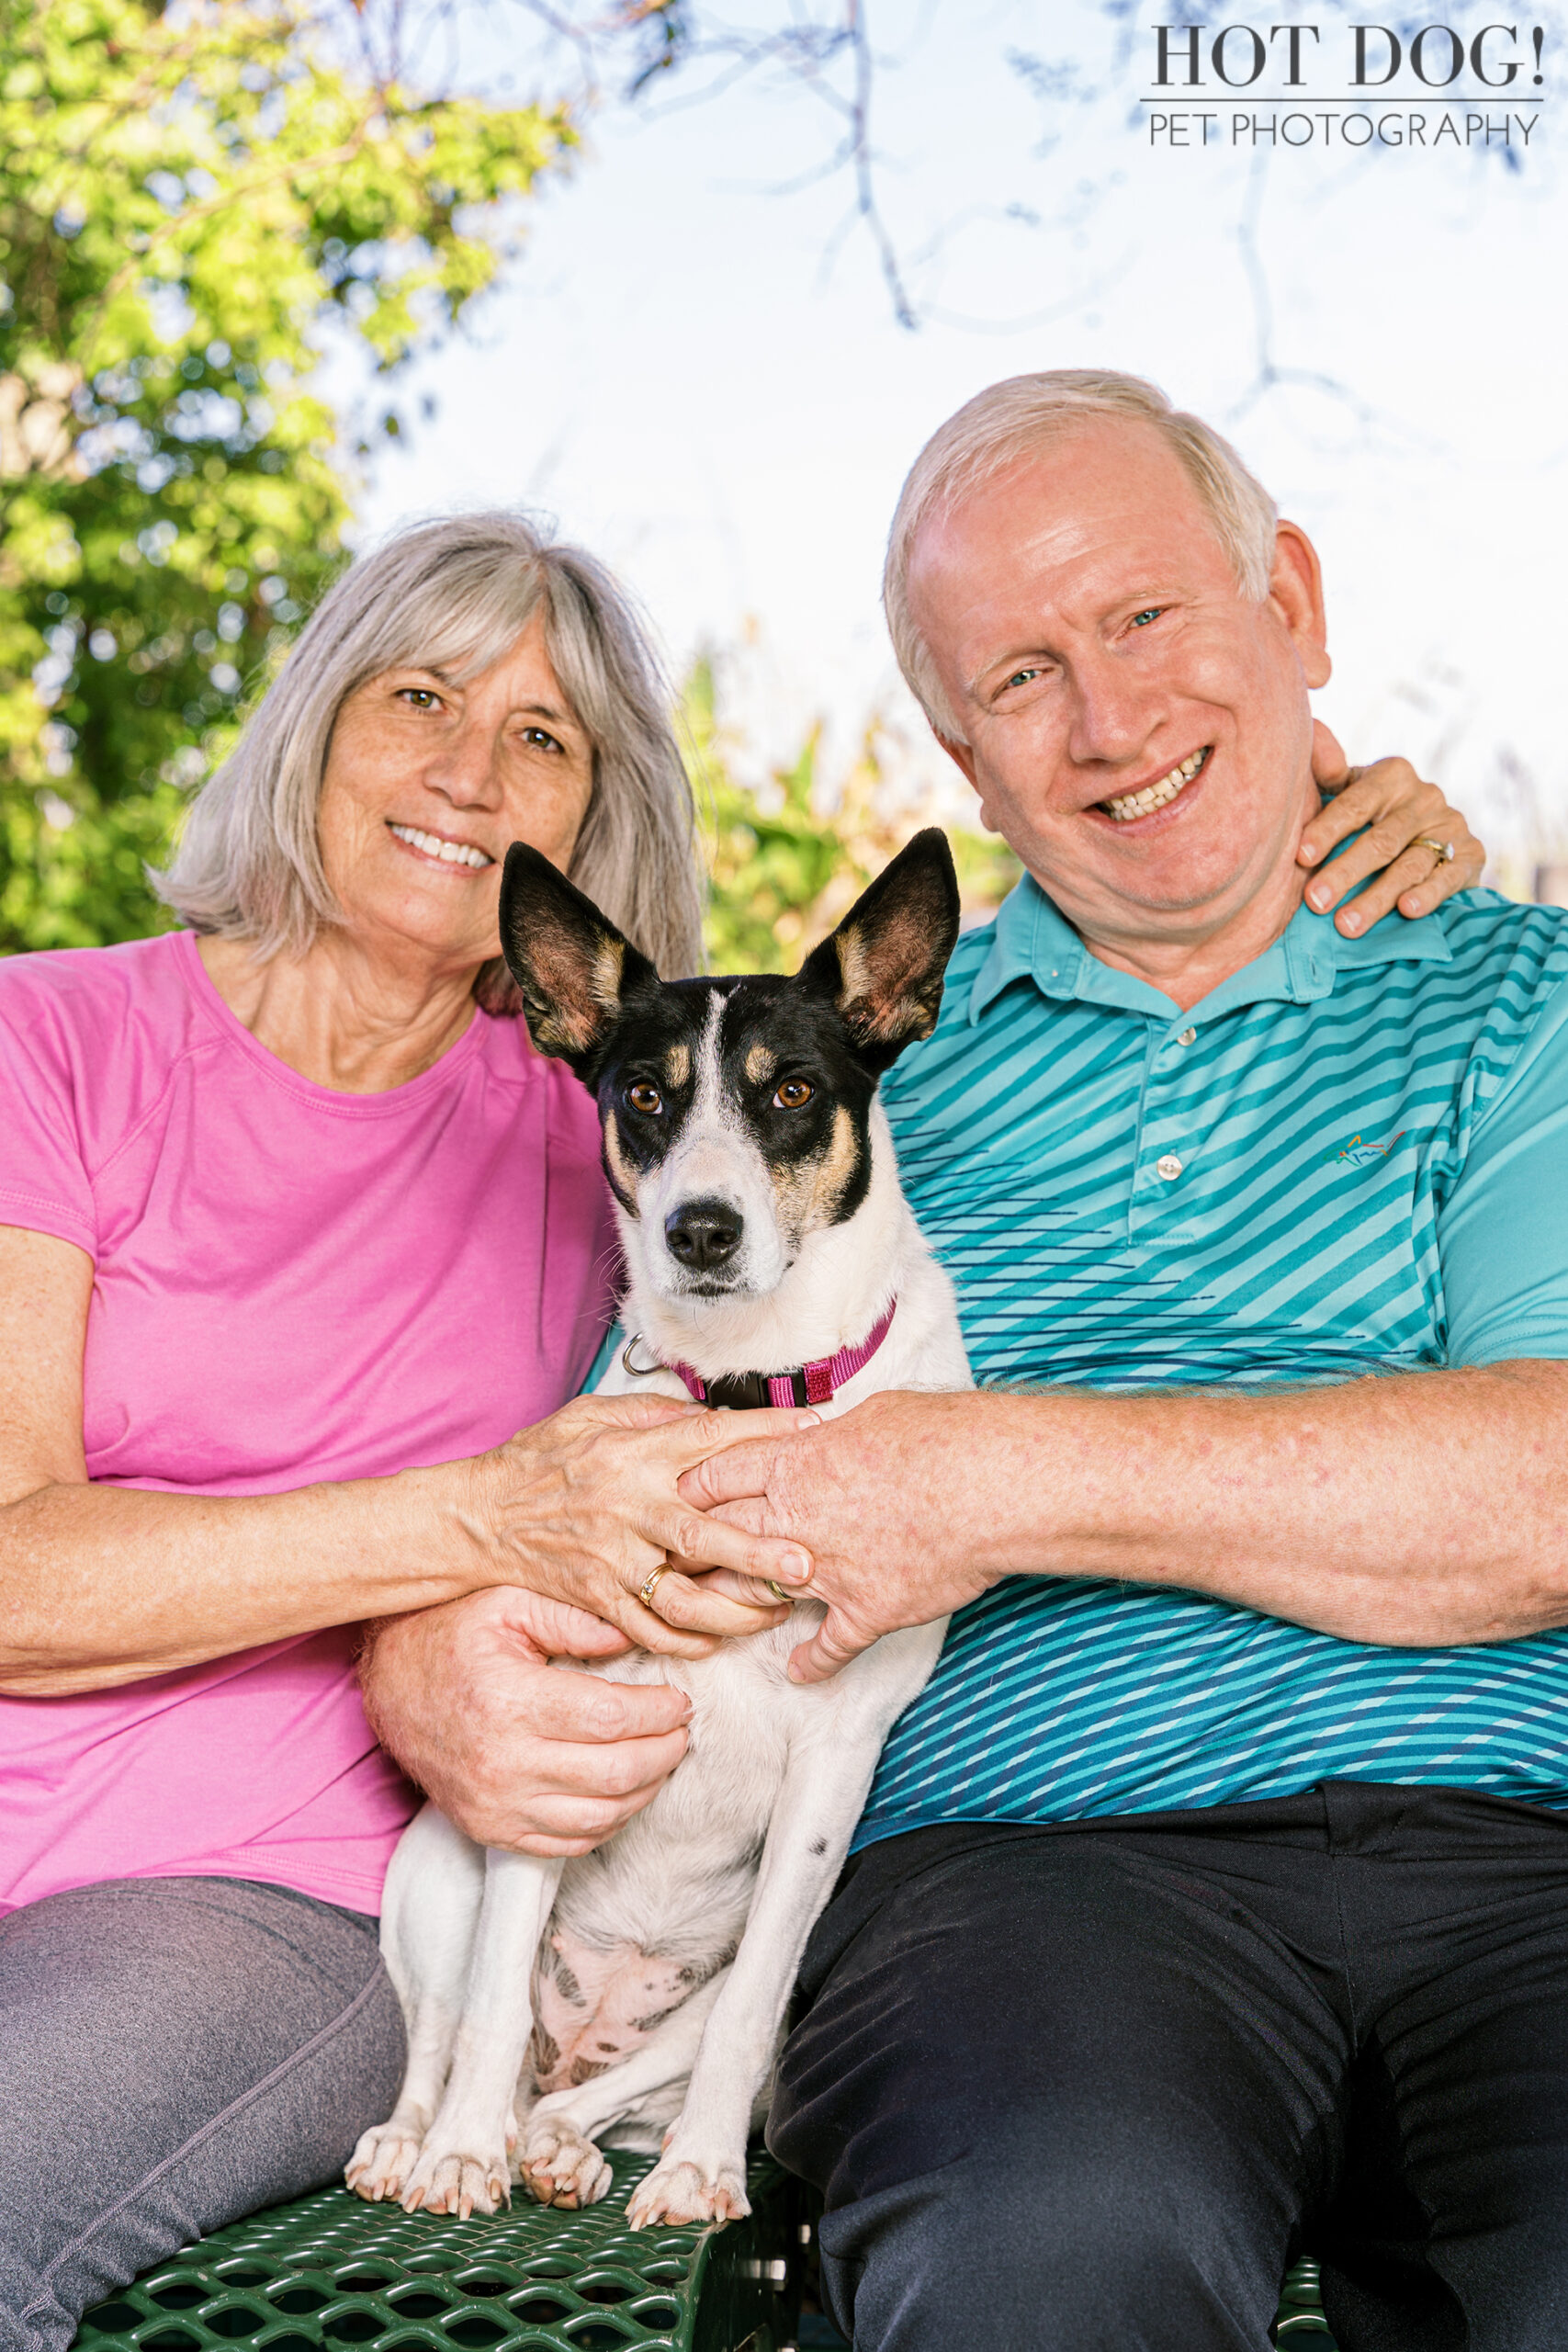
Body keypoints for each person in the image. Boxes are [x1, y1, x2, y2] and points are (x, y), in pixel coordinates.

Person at [666, 372, 1568, 2352]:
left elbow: (1543, 1489)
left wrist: (974, 1478)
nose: (1106, 718)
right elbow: (640, 1485)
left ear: (1291, 603)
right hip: (1030, 1881)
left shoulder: (1525, 998)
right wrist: (441, 1651)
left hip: (1529, 1853)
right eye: (1017, 672)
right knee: (1054, 2249)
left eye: (1146, 617)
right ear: (962, 759)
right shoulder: (839, 1084)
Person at [0, 512, 818, 2351]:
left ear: (592, 823)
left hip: (246, 1899)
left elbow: (907, 1086)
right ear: (316, 722)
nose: (467, 766)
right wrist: (479, 1522)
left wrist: (1298, 813)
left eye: (541, 734)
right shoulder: (45, 1044)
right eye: (421, 692)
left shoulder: (612, 1151)